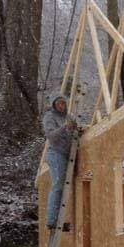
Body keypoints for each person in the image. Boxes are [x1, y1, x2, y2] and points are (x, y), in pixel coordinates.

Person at [42, 94, 77, 229]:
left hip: (68, 154)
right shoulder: (49, 117)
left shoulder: (69, 116)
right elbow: (51, 137)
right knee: (58, 185)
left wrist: (75, 127)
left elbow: (74, 132)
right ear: (54, 105)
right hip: (56, 154)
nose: (62, 106)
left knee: (63, 187)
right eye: (59, 104)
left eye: (63, 103)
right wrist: (64, 127)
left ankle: (58, 220)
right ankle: (52, 221)